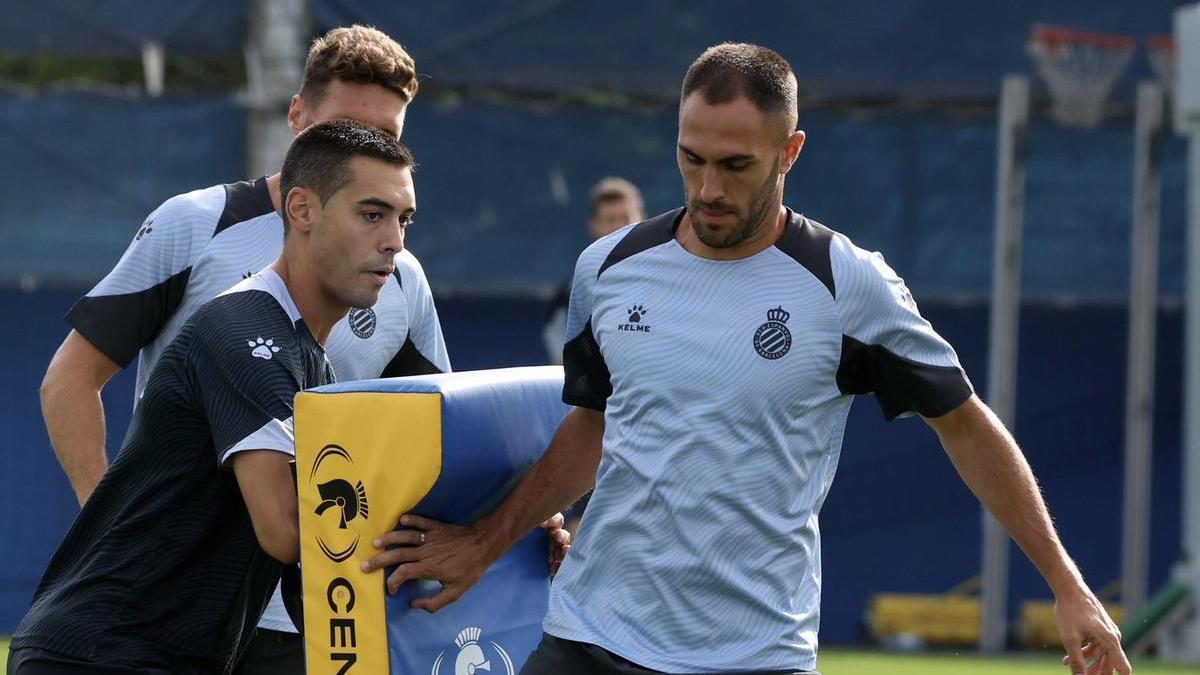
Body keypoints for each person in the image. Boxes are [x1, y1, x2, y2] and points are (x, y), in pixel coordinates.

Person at [363, 43, 1132, 675]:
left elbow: (966, 427)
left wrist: (1067, 585)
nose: (708, 188)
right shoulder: (608, 266)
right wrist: (485, 542)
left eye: (735, 166)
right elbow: (591, 428)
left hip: (753, 655)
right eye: (691, 159)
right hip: (590, 637)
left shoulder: (847, 284)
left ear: (790, 151)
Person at [10, 120, 415, 674]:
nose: (394, 239)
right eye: (373, 214)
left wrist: (489, 539)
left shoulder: (308, 358)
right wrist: (435, 549)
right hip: (100, 655)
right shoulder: (245, 329)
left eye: (403, 218)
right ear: (301, 211)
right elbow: (287, 530)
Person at [543, 177, 645, 366]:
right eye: (610, 220)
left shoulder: (666, 276)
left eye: (625, 218)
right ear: (594, 226)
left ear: (642, 220)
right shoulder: (573, 292)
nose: (619, 228)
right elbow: (564, 363)